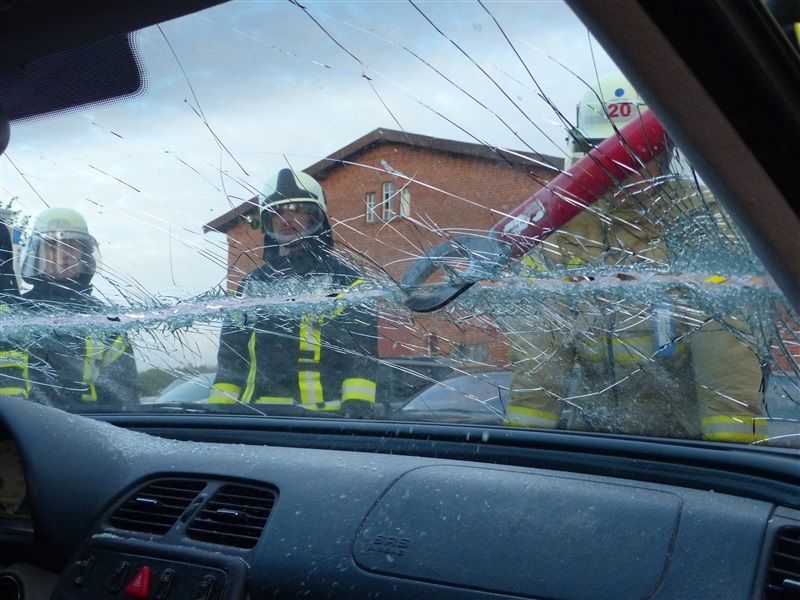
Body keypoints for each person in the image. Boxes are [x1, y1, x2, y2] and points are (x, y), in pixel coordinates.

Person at [504, 73, 768, 443]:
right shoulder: (563, 232)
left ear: (665, 154)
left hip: (686, 454)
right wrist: (520, 452)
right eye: (602, 155)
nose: (617, 171)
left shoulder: (705, 222)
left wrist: (730, 464)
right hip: (591, 451)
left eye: (634, 155)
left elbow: (729, 373)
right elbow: (539, 370)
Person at [210, 168, 378, 416]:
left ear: (314, 217)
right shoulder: (252, 285)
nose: (286, 219)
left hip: (324, 424)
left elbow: (361, 360)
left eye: (296, 209)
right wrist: (218, 418)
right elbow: (230, 362)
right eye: (277, 212)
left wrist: (355, 415)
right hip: (253, 422)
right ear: (267, 221)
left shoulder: (347, 282)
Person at [16, 207, 138, 410]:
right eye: (52, 246)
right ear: (37, 254)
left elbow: (125, 404)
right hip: (14, 427)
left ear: (85, 255)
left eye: (72, 245)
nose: (62, 254)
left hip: (91, 426)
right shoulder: (10, 314)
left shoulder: (107, 323)